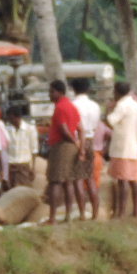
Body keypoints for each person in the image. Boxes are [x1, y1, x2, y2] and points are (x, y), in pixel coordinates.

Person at [105, 82, 137, 220]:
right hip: (134, 147)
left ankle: (121, 212)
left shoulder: (122, 105)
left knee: (122, 180)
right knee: (132, 179)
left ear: (116, 92)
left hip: (121, 148)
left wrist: (109, 109)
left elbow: (110, 121)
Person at [44, 79, 84, 224]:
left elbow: (64, 129)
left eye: (51, 91)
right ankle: (68, 216)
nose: (49, 94)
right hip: (71, 147)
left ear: (59, 92)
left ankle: (52, 217)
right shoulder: (72, 107)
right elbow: (80, 128)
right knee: (69, 182)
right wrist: (80, 146)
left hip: (62, 146)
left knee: (56, 181)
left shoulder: (60, 107)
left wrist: (74, 142)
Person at [70, 78, 103, 220]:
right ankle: (95, 213)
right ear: (88, 89)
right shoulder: (95, 106)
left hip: (77, 142)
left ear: (73, 89)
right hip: (91, 141)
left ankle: (82, 213)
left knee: (77, 179)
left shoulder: (73, 105)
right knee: (89, 178)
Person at [6, 104, 38, 188]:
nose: (10, 121)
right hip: (11, 166)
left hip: (24, 166)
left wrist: (33, 167)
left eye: (11, 118)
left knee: (25, 192)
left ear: (18, 117)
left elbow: (34, 149)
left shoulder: (30, 129)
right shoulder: (7, 130)